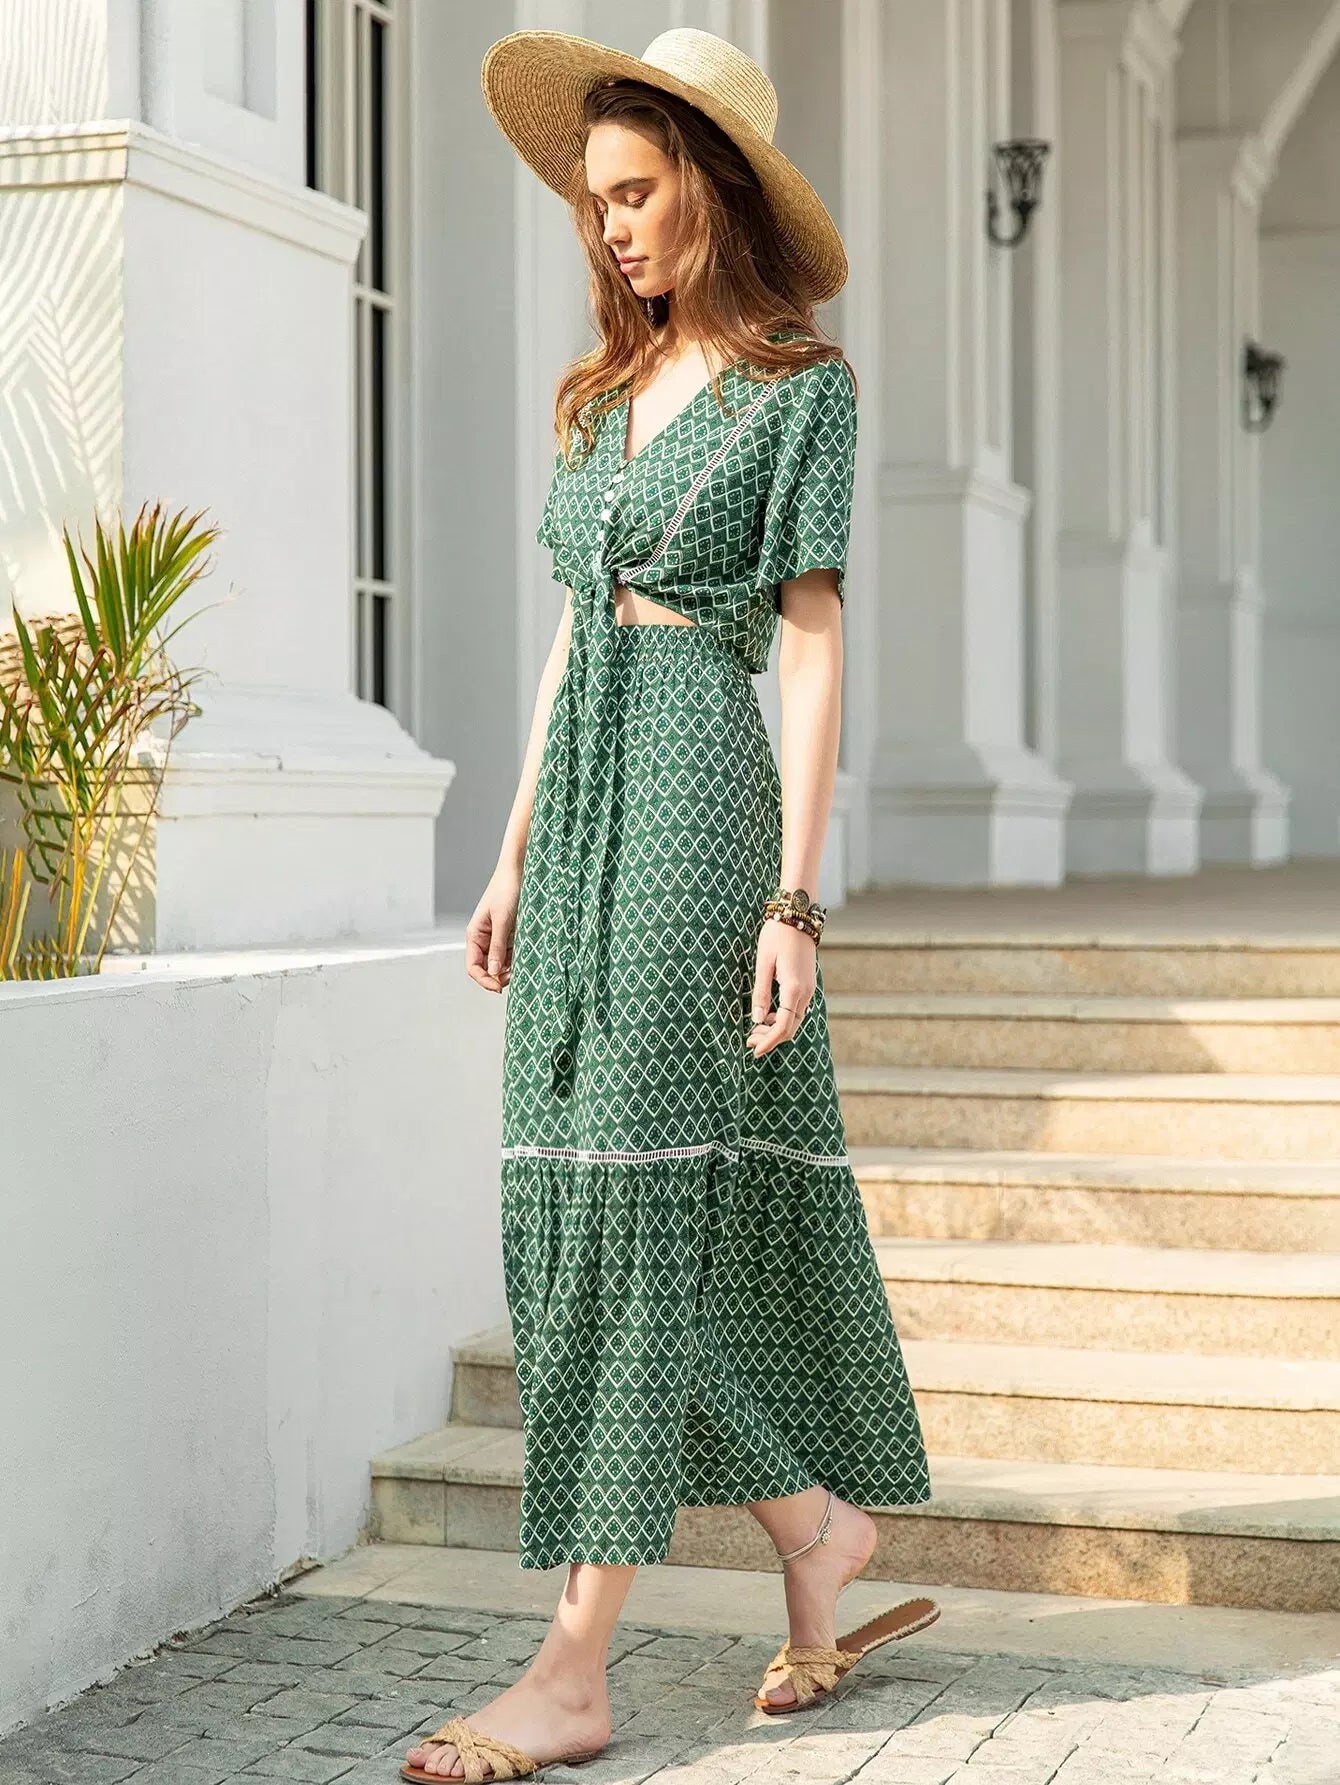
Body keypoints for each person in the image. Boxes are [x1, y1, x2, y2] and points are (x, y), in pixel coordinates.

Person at [403, 26, 936, 1784]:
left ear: (708, 186)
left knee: (638, 1200)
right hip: (579, 816)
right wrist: (507, 850)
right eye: (595, 203)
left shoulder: (802, 393)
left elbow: (812, 643)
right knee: (575, 1201)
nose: (612, 226)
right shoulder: (595, 399)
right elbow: (574, 632)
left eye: (635, 193)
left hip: (704, 790)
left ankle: (574, 1666)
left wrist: (796, 897)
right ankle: (814, 1531)